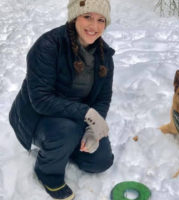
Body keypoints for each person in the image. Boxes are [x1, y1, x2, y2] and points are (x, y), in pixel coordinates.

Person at [9, 0, 114, 199]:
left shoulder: (104, 55)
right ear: (75, 16)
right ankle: (47, 172)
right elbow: (40, 99)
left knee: (100, 161)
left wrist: (93, 129)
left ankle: (66, 146)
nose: (94, 26)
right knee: (67, 131)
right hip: (38, 117)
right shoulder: (48, 45)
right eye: (87, 17)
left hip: (74, 117)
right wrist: (86, 114)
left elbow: (103, 97)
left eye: (101, 20)